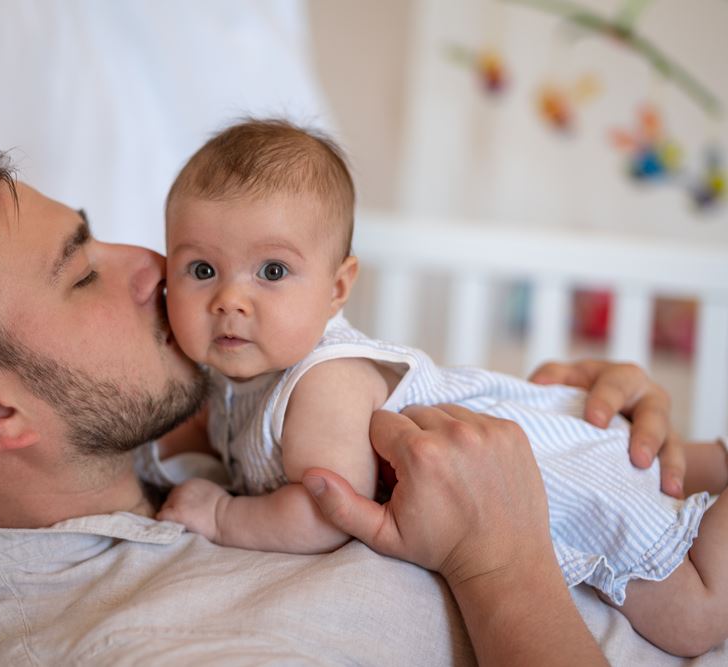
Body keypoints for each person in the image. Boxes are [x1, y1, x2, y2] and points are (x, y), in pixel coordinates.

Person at [0, 140, 692, 664]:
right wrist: (504, 567)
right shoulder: (133, 646)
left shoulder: (164, 459)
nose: (152, 268)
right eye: (82, 274)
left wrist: (577, 435)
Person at [155, 119, 728, 657]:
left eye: (272, 272)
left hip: (541, 479)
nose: (229, 299)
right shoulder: (235, 381)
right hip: (530, 447)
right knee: (670, 468)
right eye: (202, 270)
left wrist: (224, 517)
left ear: (336, 289)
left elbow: (327, 512)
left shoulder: (321, 384)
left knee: (694, 616)